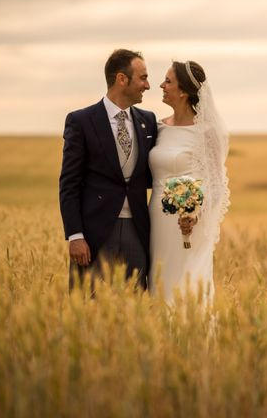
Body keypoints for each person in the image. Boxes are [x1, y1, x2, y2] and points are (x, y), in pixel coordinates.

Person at [59, 49, 158, 291]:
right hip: (95, 235)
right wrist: (75, 235)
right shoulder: (81, 121)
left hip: (138, 232)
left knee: (134, 311)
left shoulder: (149, 120)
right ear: (121, 79)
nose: (148, 85)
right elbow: (69, 183)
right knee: (87, 310)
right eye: (143, 78)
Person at [149, 60, 230, 304]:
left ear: (183, 91)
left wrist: (195, 215)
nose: (161, 85)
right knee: (159, 281)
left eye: (168, 81)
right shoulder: (159, 127)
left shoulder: (207, 132)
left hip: (188, 225)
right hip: (156, 219)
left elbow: (217, 185)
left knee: (186, 285)